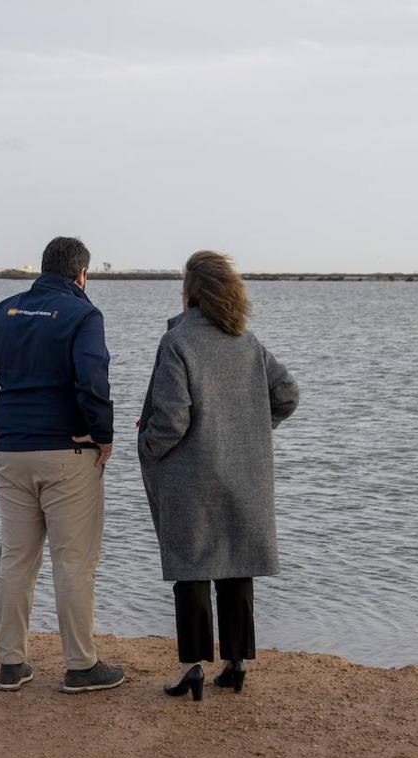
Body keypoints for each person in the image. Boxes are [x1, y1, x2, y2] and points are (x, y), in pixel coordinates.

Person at [0, 236, 125, 694]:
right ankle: (81, 665)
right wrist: (102, 435)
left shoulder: (5, 310)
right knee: (73, 561)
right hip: (67, 453)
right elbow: (93, 378)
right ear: (81, 274)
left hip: (12, 450)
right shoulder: (84, 314)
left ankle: (11, 663)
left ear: (43, 267)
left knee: (16, 557)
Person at [137, 250, 299, 701]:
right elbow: (288, 395)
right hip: (242, 471)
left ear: (190, 293)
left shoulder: (178, 342)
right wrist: (248, 428)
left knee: (192, 566)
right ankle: (236, 662)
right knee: (235, 562)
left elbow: (171, 419)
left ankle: (191, 667)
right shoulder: (245, 340)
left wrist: (147, 446)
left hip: (191, 475)